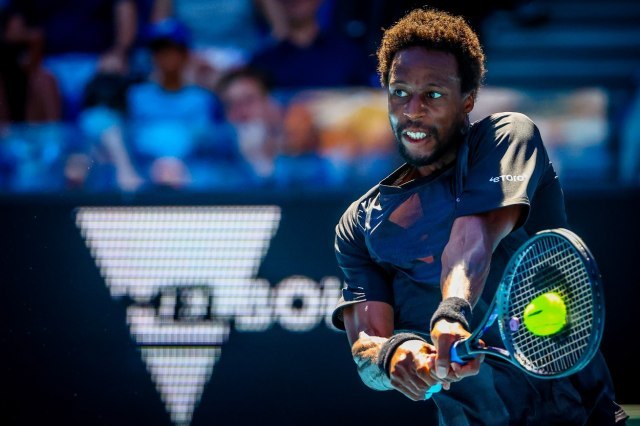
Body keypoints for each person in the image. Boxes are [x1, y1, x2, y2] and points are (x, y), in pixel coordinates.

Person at [331, 8, 628, 425]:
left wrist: (451, 312)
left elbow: (473, 237)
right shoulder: (359, 224)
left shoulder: (507, 137)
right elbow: (365, 346)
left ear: (467, 100)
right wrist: (394, 355)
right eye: (400, 92)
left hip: (581, 416)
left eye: (434, 94)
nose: (413, 110)